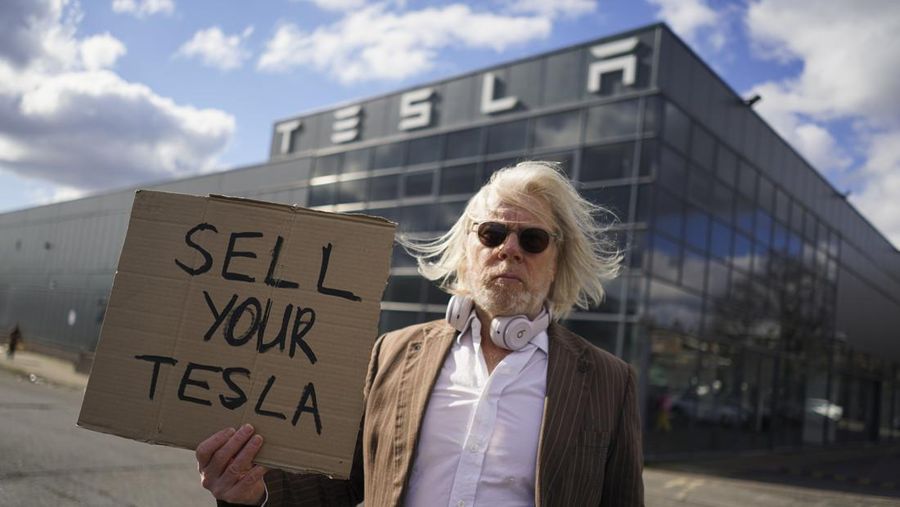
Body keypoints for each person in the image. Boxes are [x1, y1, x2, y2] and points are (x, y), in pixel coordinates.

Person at [196, 161, 644, 506]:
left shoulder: (610, 381)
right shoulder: (392, 352)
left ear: (557, 259)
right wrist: (249, 492)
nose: (509, 249)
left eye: (532, 240)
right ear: (467, 249)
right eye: (491, 233)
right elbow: (338, 486)